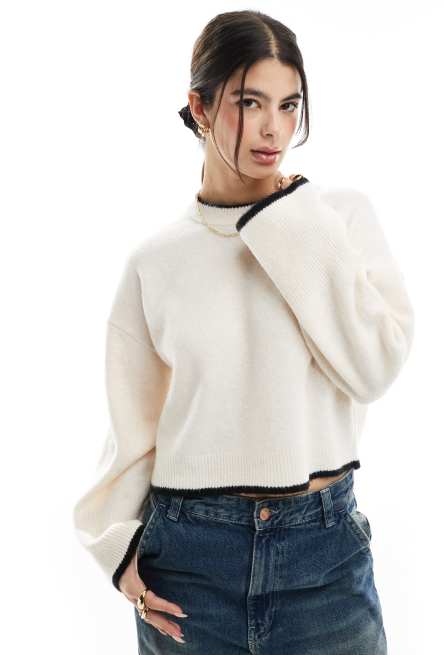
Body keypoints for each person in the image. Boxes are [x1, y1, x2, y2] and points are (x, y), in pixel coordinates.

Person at [72, 9, 415, 654]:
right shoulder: (156, 262)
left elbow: (374, 366)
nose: (272, 128)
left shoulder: (333, 220)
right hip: (190, 566)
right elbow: (131, 432)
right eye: (249, 102)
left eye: (289, 105)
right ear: (200, 106)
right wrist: (120, 554)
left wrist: (286, 209)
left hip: (324, 560)